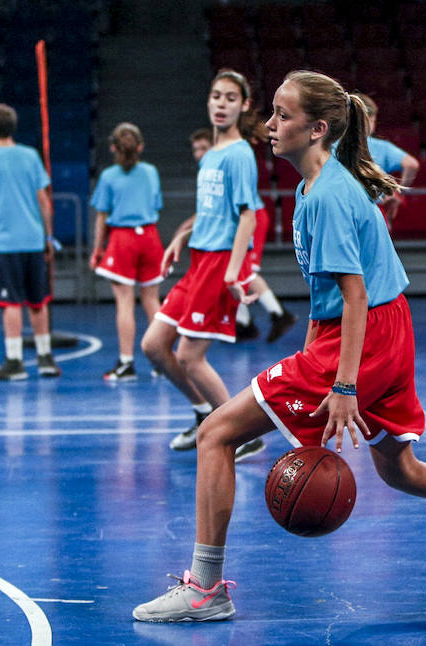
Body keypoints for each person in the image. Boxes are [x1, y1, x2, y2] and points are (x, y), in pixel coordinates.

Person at [131, 71, 426, 623]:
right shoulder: (311, 187)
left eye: (282, 115)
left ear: (317, 129)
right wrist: (319, 351)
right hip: (385, 332)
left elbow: (354, 296)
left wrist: (342, 385)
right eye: (270, 112)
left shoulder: (330, 195)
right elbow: (330, 298)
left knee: (215, 432)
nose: (269, 125)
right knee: (399, 469)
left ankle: (205, 589)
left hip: (368, 338)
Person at [141, 69, 265, 462]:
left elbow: (247, 215)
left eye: (230, 98)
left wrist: (234, 269)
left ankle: (244, 433)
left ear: (243, 105)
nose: (221, 104)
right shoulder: (210, 155)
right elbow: (210, 210)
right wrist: (180, 238)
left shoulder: (240, 154)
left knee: (191, 358)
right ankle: (202, 413)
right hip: (197, 259)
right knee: (155, 346)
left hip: (218, 265)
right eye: (216, 96)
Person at [0, 103, 61, 381]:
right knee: (38, 300)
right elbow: (43, 200)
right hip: (33, 240)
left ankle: (14, 360)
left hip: (5, 242)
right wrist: (47, 236)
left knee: (11, 303)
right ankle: (45, 358)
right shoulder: (31, 156)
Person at [189, 128, 299, 343]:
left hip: (251, 218)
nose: (199, 153)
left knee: (244, 270)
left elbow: (239, 208)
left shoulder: (228, 160)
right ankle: (244, 323)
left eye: (203, 148)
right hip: (240, 219)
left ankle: (278, 314)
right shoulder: (209, 165)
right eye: (195, 149)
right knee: (233, 271)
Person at [90, 122, 164, 381]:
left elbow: (101, 216)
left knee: (124, 302)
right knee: (152, 300)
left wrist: (97, 249)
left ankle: (126, 362)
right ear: (140, 147)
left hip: (122, 239)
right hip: (150, 236)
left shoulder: (109, 176)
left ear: (113, 148)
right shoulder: (151, 172)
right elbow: (156, 204)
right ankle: (161, 360)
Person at [353, 92, 420, 224]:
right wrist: (398, 191)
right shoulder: (381, 147)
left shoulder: (328, 145)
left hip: (339, 212)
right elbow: (412, 164)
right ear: (369, 120)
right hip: (373, 214)